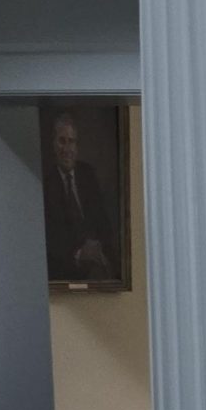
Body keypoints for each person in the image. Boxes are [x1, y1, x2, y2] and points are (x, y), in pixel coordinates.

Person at [44, 111, 122, 285]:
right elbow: (51, 238)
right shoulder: (45, 183)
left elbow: (103, 222)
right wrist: (79, 253)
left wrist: (99, 248)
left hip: (97, 259)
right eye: (61, 141)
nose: (67, 149)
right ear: (53, 145)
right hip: (65, 267)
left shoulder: (87, 174)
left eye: (71, 142)